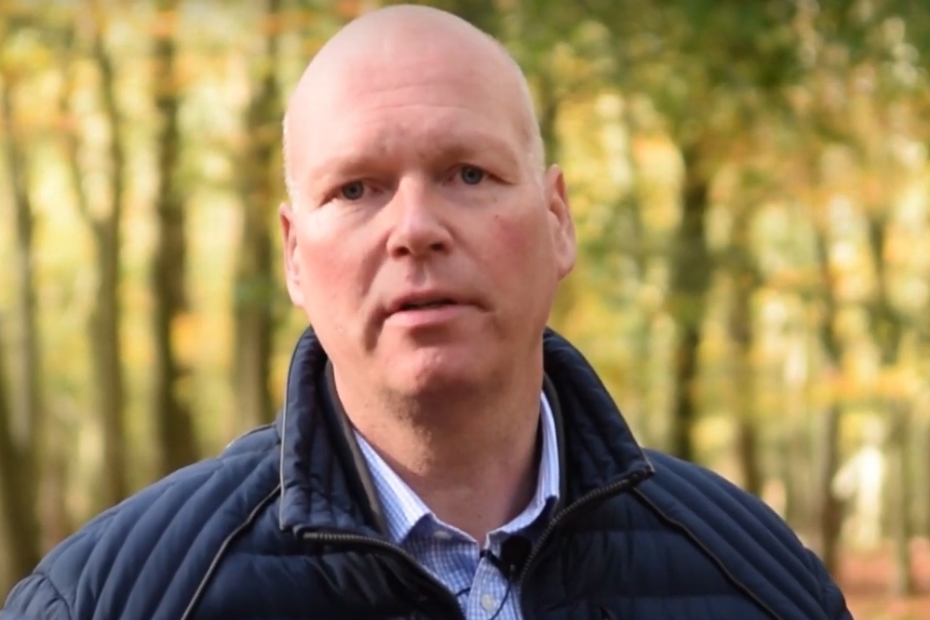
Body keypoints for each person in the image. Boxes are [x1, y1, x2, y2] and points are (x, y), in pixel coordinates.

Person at [2, 5, 853, 620]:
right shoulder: (106, 601)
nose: (415, 228)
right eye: (356, 189)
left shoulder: (762, 583)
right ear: (294, 255)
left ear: (557, 221)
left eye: (468, 174)